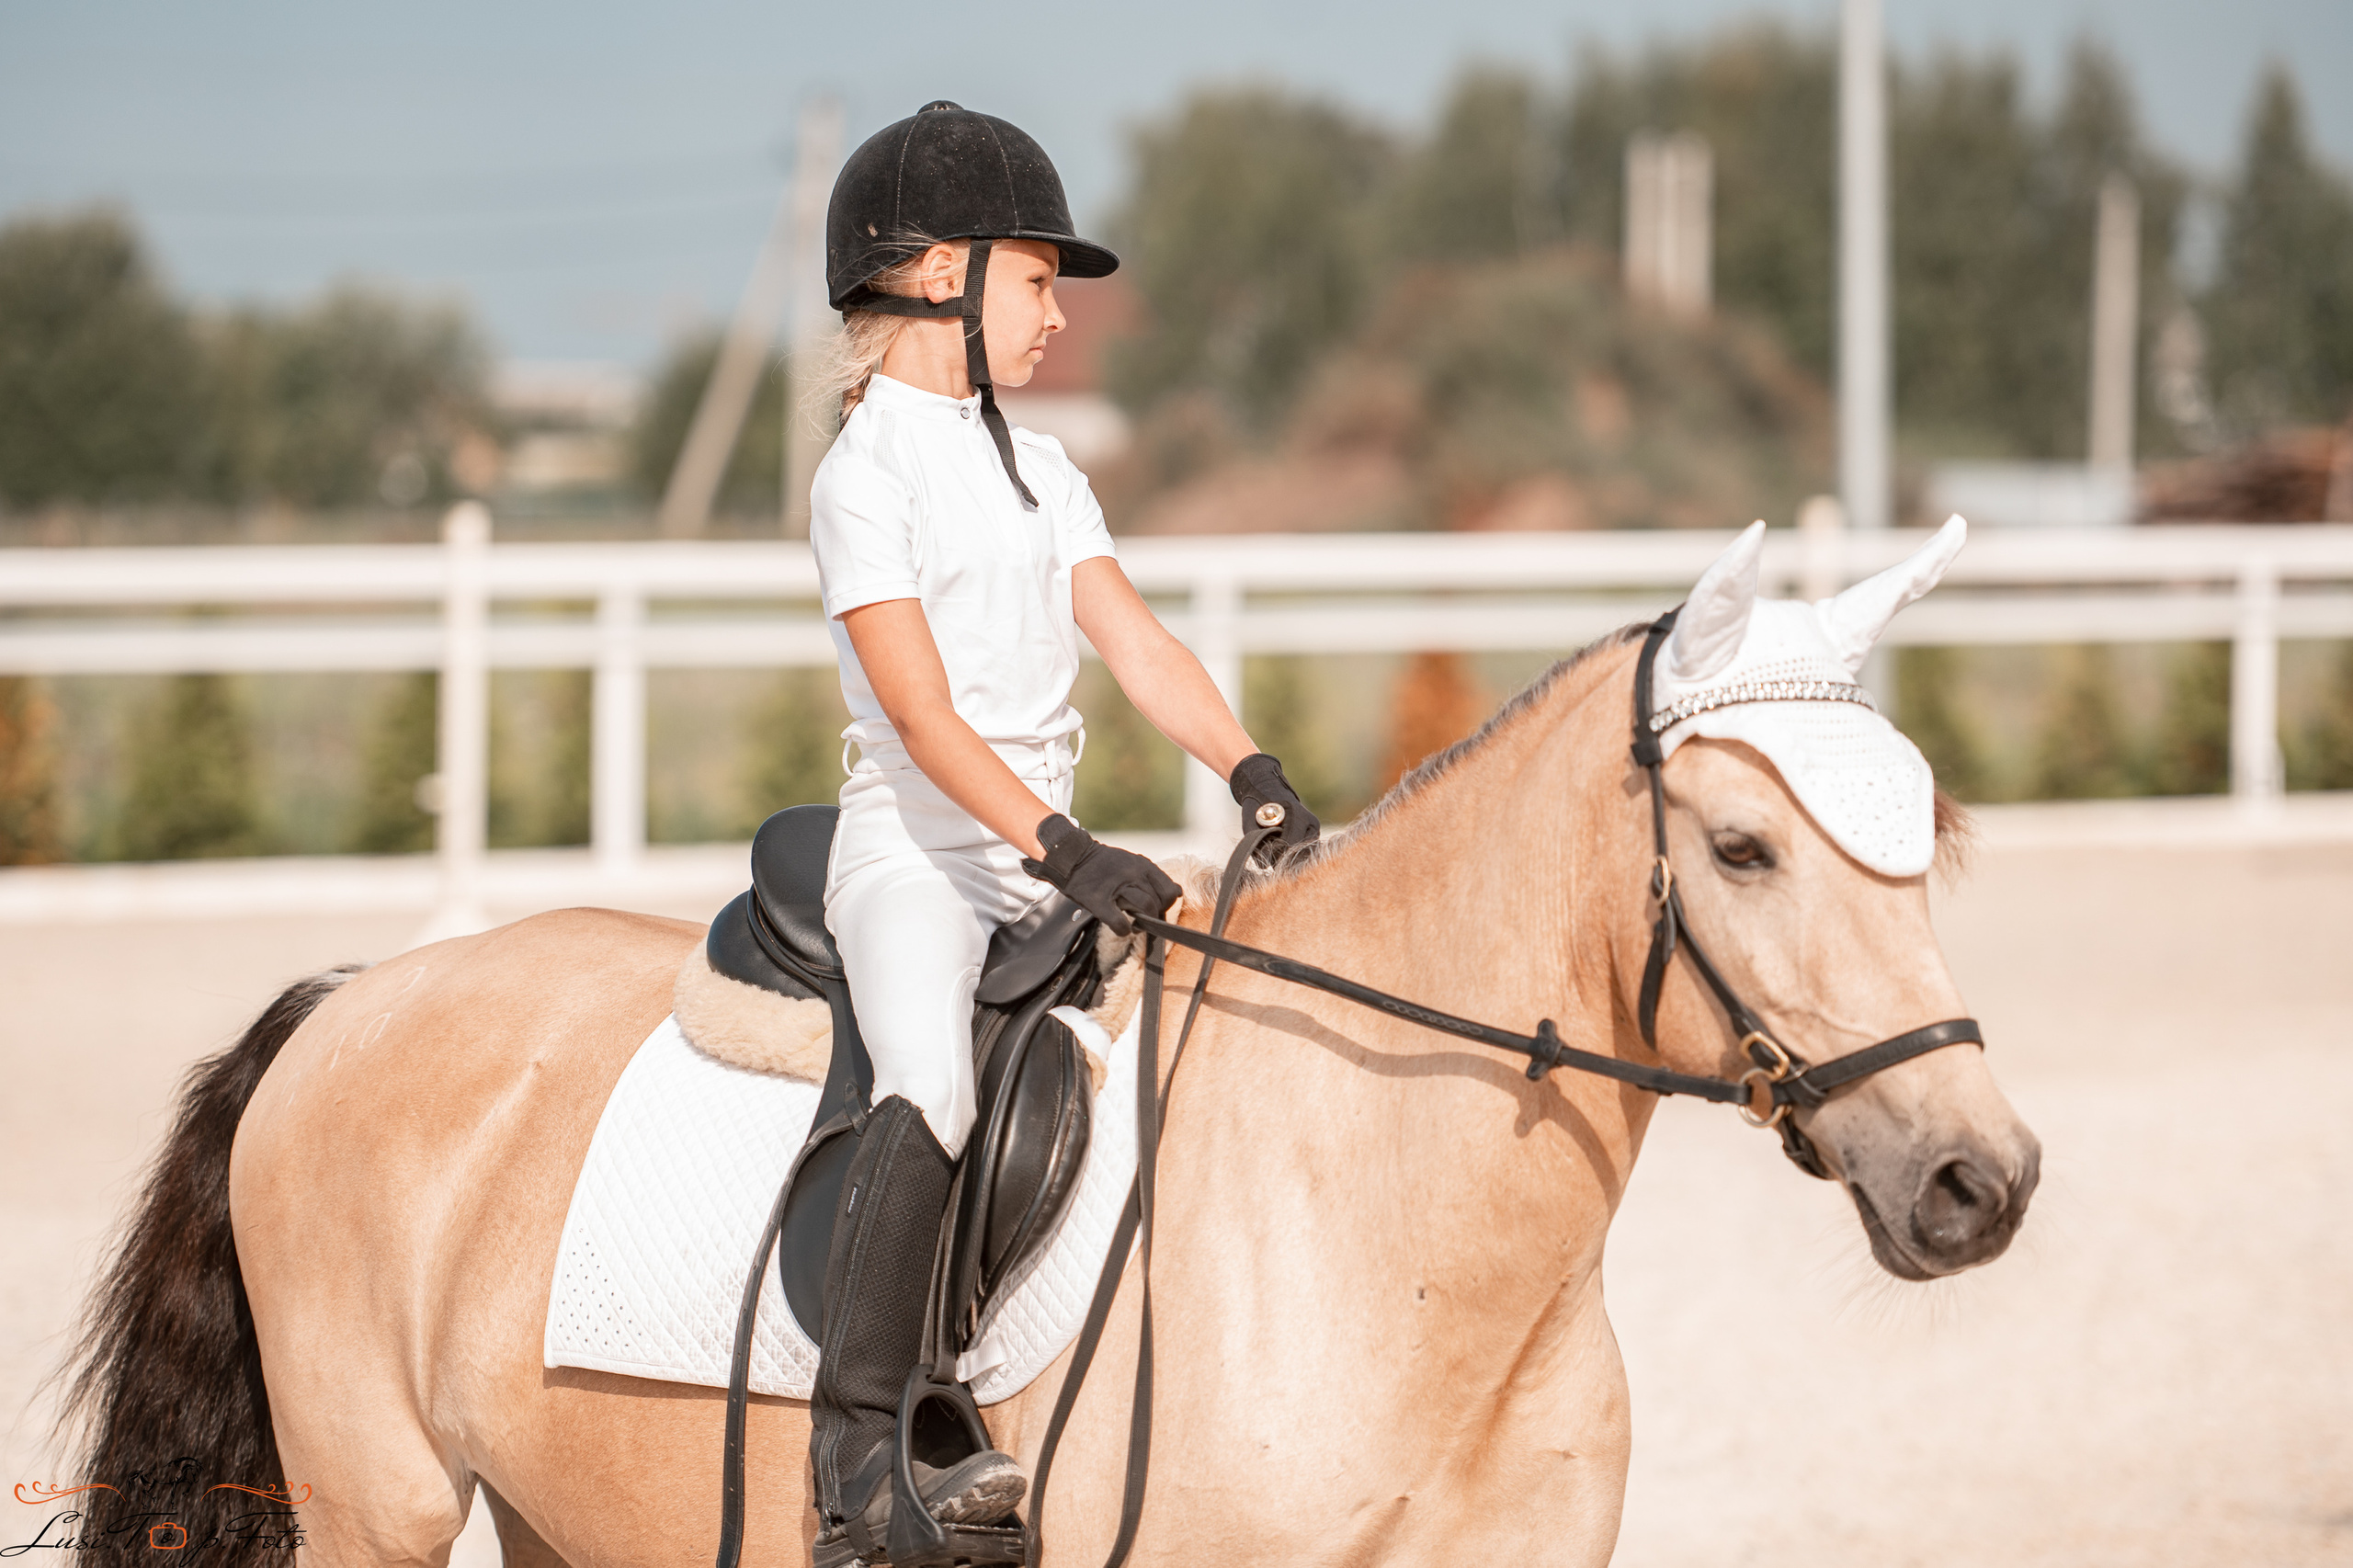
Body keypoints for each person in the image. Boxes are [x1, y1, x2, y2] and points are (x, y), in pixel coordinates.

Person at [802, 101, 1321, 1562]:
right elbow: (922, 717)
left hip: (1033, 850)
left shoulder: (1042, 470)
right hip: (920, 855)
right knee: (932, 1078)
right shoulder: (864, 477)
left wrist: (1251, 767)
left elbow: (1137, 644)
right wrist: (1066, 850)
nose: (1056, 314)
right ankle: (859, 1458)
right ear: (938, 277)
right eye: (1035, 282)